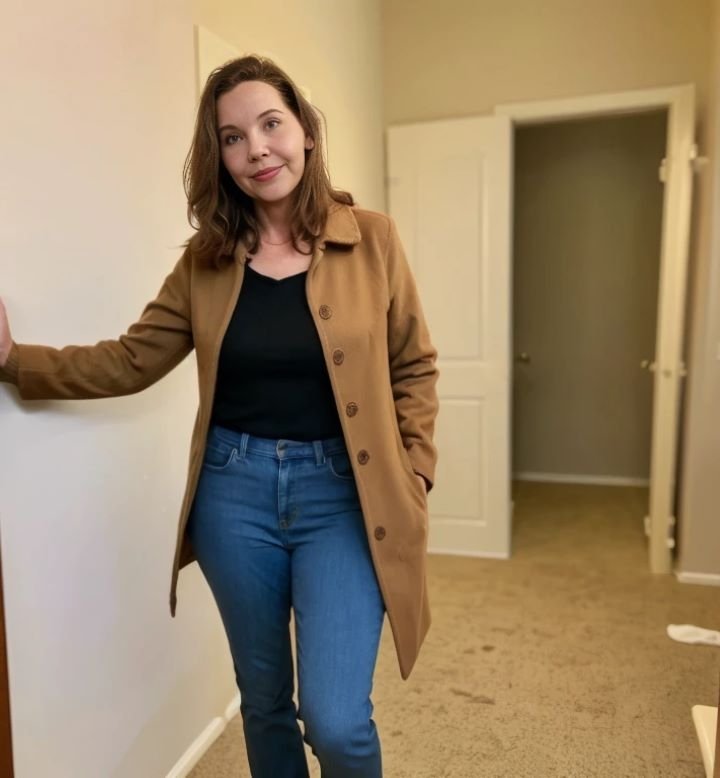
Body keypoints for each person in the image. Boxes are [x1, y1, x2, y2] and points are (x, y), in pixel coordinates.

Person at [0, 55, 439, 778]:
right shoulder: (204, 263)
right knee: (262, 701)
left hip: (345, 494)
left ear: (305, 131)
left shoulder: (372, 239)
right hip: (234, 495)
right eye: (233, 137)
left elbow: (413, 365)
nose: (257, 149)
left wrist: (415, 472)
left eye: (271, 125)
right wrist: (17, 359)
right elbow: (129, 359)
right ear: (220, 157)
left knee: (336, 720)